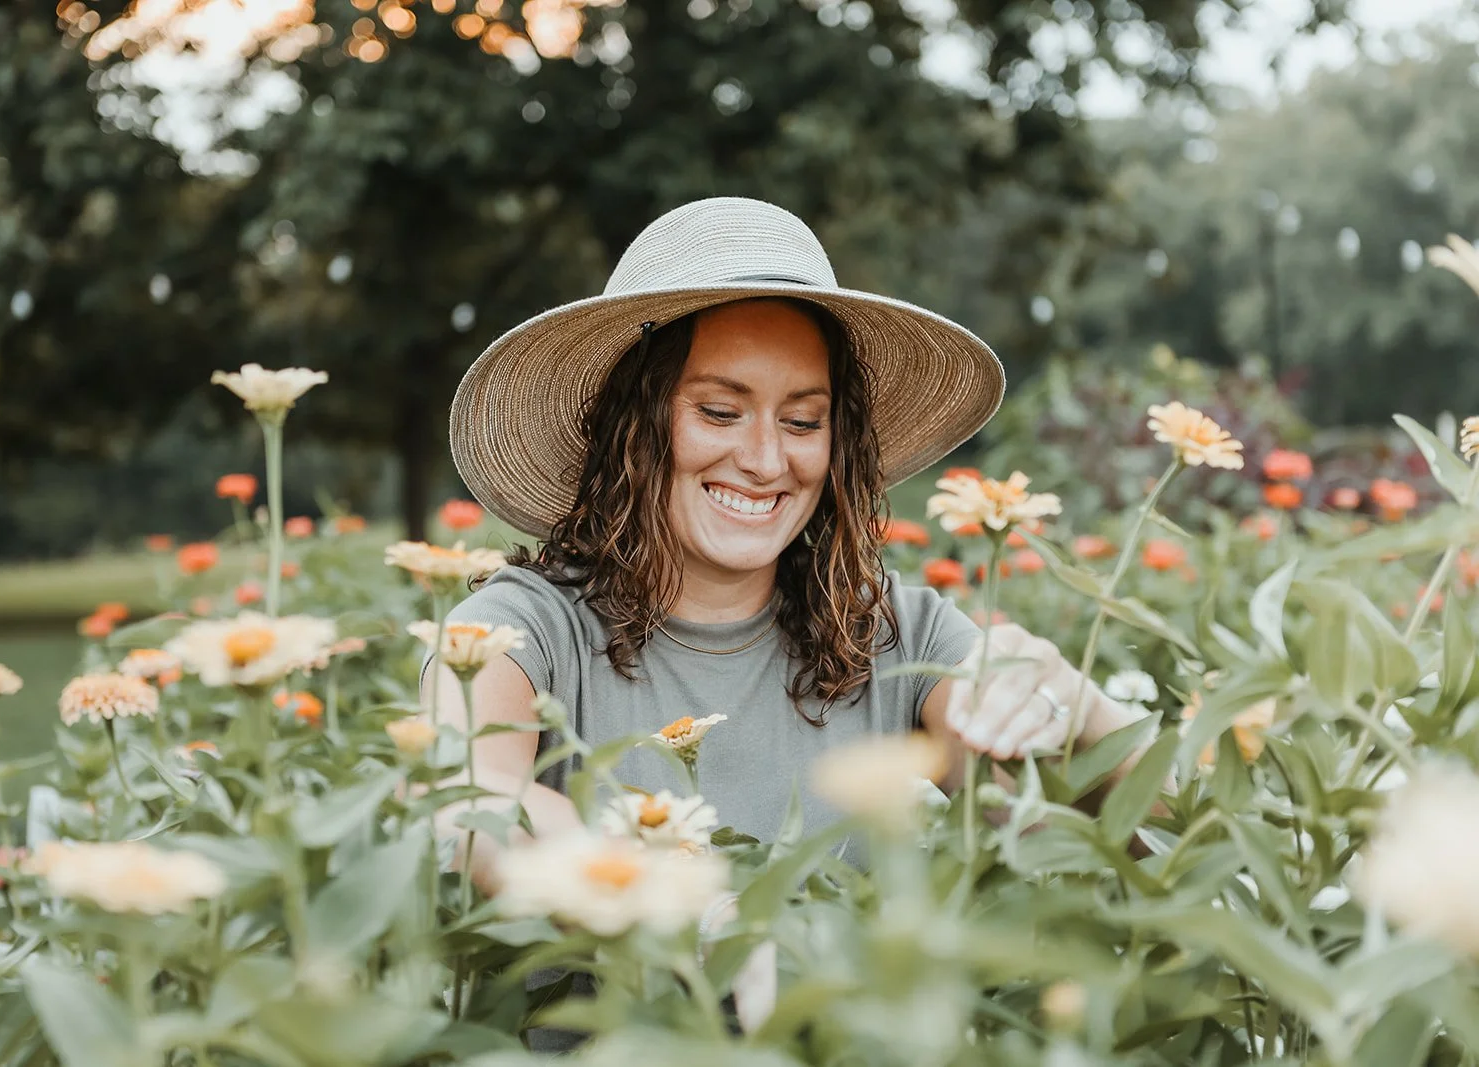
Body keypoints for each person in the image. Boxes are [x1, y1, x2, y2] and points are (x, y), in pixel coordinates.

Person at [423, 196, 1152, 1042]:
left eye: (803, 420)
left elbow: (1170, 819)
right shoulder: (521, 633)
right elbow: (472, 806)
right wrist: (697, 910)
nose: (767, 460)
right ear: (635, 422)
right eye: (719, 411)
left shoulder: (897, 635)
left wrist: (1062, 698)